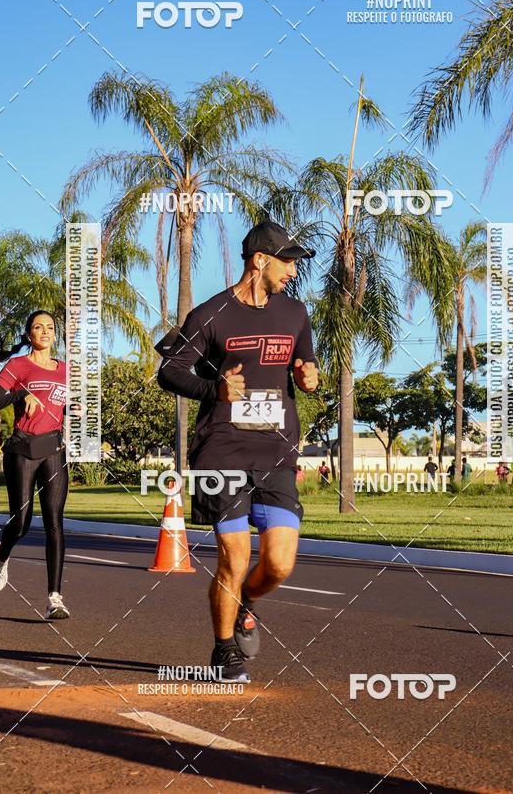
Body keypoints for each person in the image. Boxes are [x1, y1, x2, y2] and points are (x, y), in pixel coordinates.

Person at [157, 220, 318, 683]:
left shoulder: (295, 313)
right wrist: (215, 390)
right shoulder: (212, 313)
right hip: (221, 448)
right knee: (234, 555)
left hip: (275, 448)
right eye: (287, 262)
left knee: (280, 563)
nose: (292, 271)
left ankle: (246, 600)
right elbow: (170, 371)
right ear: (260, 260)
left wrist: (309, 377)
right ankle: (224, 649)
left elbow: (305, 365)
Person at [0, 310, 70, 619]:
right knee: (21, 522)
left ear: (55, 334)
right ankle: (0, 556)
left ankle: (55, 597)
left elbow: (72, 409)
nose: (44, 331)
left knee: (55, 522)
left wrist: (76, 411)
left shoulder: (67, 370)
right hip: (22, 448)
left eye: (50, 327)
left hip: (54, 448)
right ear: (28, 335)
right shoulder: (18, 366)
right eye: (38, 327)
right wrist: (19, 393)